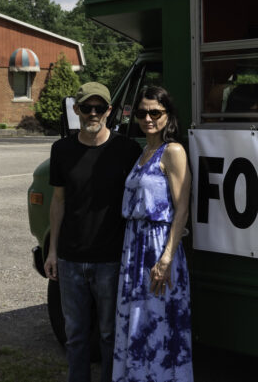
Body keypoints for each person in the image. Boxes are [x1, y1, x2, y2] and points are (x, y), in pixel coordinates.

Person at [44, 82, 142, 382]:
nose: (93, 113)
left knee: (110, 334)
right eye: (87, 107)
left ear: (110, 111)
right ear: (77, 110)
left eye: (100, 108)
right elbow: (58, 202)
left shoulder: (126, 149)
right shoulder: (61, 150)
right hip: (71, 260)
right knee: (75, 336)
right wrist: (52, 252)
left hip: (111, 260)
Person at [112, 86, 193, 382]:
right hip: (134, 245)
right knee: (136, 320)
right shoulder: (143, 151)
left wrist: (166, 258)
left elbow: (182, 208)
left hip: (159, 245)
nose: (148, 118)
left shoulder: (173, 151)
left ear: (167, 116)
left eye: (155, 112)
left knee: (159, 322)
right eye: (143, 112)